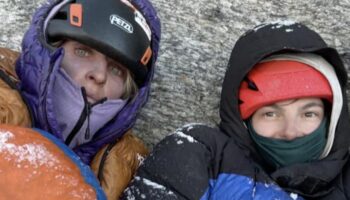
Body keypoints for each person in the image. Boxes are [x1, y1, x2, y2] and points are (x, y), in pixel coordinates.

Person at [122, 22, 350, 199]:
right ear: (243, 119)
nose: (290, 132)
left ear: (332, 117)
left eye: (308, 113)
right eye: (270, 113)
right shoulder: (201, 154)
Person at [14, 0, 160, 198]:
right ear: (49, 48)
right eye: (83, 51)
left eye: (117, 69)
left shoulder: (130, 165)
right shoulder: (5, 104)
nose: (99, 76)